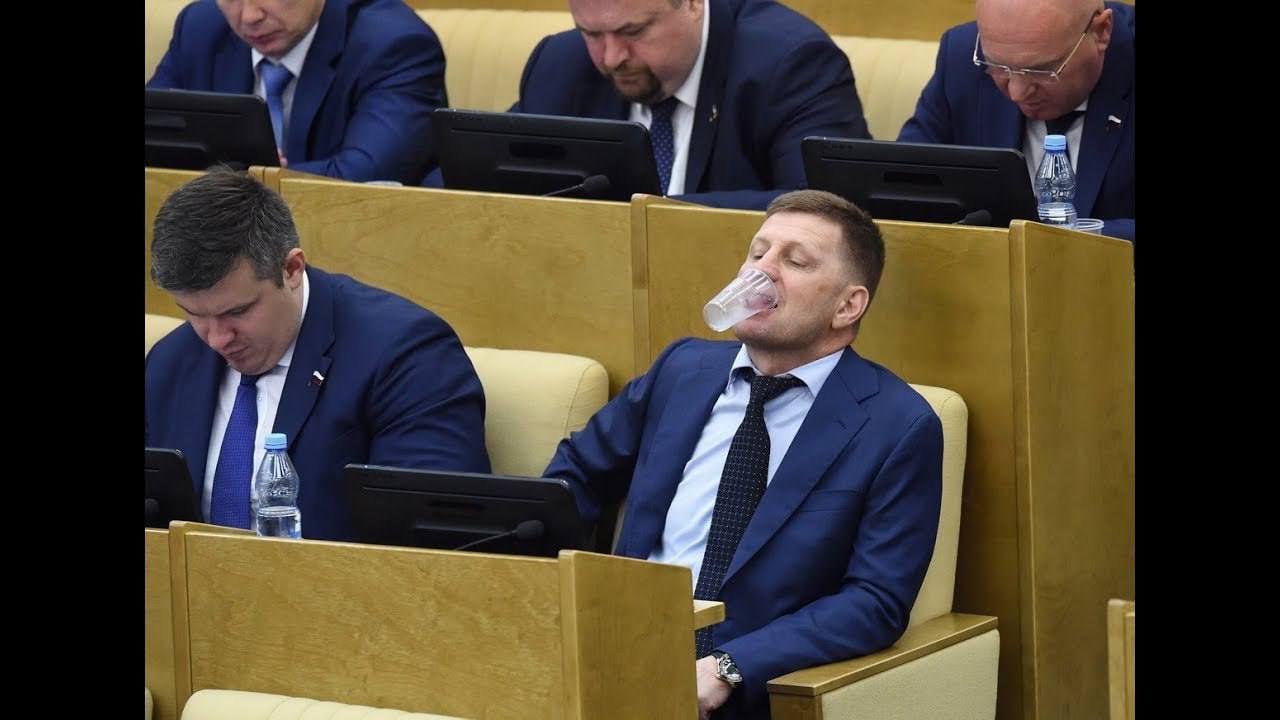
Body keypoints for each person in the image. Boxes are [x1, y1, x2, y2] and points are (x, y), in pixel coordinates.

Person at [543, 189, 943, 719]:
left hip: (749, 692)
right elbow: (574, 476)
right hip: (614, 658)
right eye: (757, 252)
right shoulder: (683, 369)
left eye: (795, 261)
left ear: (848, 306)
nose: (762, 271)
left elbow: (875, 601)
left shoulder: (898, 424)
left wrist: (730, 667)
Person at [145, 169, 490, 541]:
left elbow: (428, 539)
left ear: (292, 269)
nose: (216, 339)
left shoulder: (406, 355)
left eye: (237, 312)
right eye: (195, 314)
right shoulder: (170, 363)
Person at [502, 0, 870, 209]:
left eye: (633, 31)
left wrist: (650, 215)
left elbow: (827, 208)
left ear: (693, 4)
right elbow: (493, 181)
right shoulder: (560, 64)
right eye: (591, 34)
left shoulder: (789, 64)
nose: (612, 58)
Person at [899, 0, 1134, 240]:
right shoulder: (961, 56)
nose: (1016, 93)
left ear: (1101, 31)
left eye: (1042, 70)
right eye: (998, 67)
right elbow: (903, 187)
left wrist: (1066, 237)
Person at [148, 0, 449, 185]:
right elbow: (153, 139)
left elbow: (364, 177)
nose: (249, 15)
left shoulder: (395, 44)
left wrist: (255, 175)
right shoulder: (200, 27)